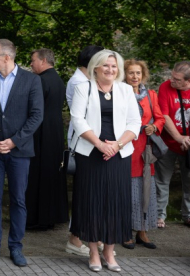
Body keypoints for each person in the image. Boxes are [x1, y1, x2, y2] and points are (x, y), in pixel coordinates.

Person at [0, 39, 43, 267]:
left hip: (19, 151)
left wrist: (13, 142)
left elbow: (36, 116)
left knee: (18, 200)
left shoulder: (31, 80)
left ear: (6, 57)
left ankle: (16, 247)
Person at [69, 49, 140, 272]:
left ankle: (109, 252)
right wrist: (100, 145)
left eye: (114, 66)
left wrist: (116, 146)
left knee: (115, 203)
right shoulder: (83, 88)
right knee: (91, 202)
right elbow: (78, 120)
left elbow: (134, 123)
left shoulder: (126, 89)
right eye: (106, 65)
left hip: (118, 154)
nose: (110, 69)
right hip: (90, 153)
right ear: (96, 67)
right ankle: (93, 252)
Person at [64, 44, 103, 256]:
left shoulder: (83, 79)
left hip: (88, 141)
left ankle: (87, 237)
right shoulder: (80, 82)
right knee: (84, 192)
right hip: (85, 143)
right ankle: (78, 239)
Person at [122, 59, 164, 249]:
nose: (135, 76)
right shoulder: (119, 94)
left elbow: (160, 117)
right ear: (124, 74)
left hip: (145, 152)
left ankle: (142, 232)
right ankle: (125, 232)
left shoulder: (151, 95)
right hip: (125, 148)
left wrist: (154, 126)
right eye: (131, 73)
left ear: (143, 75)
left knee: (145, 191)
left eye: (138, 73)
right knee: (126, 192)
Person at [26, 49, 69, 230]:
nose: (30, 64)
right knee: (52, 173)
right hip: (55, 130)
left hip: (41, 131)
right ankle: (51, 216)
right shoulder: (58, 79)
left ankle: (38, 218)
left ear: (43, 61)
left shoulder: (40, 80)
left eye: (33, 60)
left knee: (39, 173)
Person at [155, 61, 190, 228]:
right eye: (172, 76)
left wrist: (188, 141)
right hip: (167, 143)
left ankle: (188, 215)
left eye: (177, 79)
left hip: (188, 146)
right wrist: (179, 138)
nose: (171, 80)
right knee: (161, 180)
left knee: (189, 181)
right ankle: (159, 215)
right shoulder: (165, 87)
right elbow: (164, 115)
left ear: (188, 81)